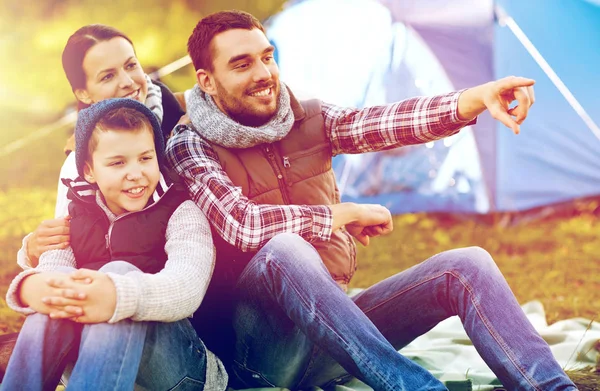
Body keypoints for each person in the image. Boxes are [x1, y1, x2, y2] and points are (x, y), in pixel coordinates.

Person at [163, 10, 577, 391]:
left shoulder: (307, 118)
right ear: (207, 81)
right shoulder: (189, 143)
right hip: (262, 353)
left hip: (339, 336)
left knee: (466, 265)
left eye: (267, 57)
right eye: (241, 64)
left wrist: (474, 99)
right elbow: (244, 224)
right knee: (284, 249)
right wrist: (338, 215)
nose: (263, 73)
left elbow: (383, 123)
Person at [2, 98, 227, 390]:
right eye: (118, 162)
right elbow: (53, 273)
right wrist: (31, 286)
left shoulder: (181, 211)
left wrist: (117, 295)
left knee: (118, 272)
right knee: (56, 291)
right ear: (89, 171)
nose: (135, 173)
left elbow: (188, 286)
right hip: (90, 362)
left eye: (146, 158)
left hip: (179, 372)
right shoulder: (75, 214)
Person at [20, 24, 185, 268]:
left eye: (131, 65)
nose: (128, 82)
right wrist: (29, 250)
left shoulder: (180, 115)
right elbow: (65, 238)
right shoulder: (79, 160)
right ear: (84, 94)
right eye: (108, 76)